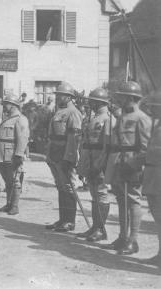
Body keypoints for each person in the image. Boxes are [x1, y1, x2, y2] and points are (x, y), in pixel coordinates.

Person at [104, 81, 151, 255]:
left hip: (132, 165)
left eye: (122, 97)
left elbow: (146, 148)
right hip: (118, 163)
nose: (120, 100)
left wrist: (132, 165)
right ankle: (123, 237)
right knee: (121, 201)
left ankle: (133, 240)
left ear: (131, 98)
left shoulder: (142, 118)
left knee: (133, 201)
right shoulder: (123, 117)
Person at [74, 88, 115, 241]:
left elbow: (107, 146)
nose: (89, 103)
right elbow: (86, 143)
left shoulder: (108, 119)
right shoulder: (93, 118)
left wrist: (99, 164)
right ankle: (94, 227)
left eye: (92, 101)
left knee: (101, 194)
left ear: (99, 102)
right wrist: (83, 165)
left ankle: (101, 229)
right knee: (94, 195)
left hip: (100, 164)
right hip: (90, 162)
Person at [45, 82, 82, 232]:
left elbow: (74, 139)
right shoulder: (59, 111)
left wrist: (69, 158)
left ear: (68, 97)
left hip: (64, 155)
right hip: (55, 154)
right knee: (61, 187)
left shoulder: (73, 112)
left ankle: (70, 221)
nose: (58, 97)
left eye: (60, 95)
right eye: (57, 95)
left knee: (68, 187)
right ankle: (62, 219)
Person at [0, 94, 29, 215]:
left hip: (12, 154)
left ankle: (15, 206)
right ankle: (8, 204)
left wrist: (19, 155)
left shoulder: (20, 119)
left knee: (15, 180)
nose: (4, 106)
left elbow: (23, 139)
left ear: (14, 105)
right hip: (2, 153)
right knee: (8, 180)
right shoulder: (7, 118)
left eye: (6, 104)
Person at [142, 90, 161, 267]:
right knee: (157, 216)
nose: (151, 111)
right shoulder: (156, 125)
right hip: (153, 176)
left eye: (154, 108)